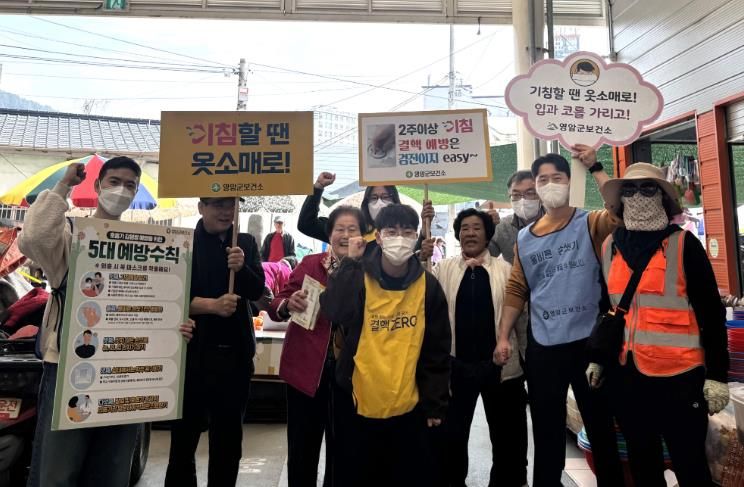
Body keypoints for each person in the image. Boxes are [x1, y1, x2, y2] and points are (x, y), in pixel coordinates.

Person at [19, 157, 195, 487]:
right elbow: (35, 238)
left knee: (111, 471)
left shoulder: (147, 243)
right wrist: (63, 186)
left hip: (125, 374)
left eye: (130, 185)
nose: (121, 190)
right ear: (98, 185)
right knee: (57, 472)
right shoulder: (71, 236)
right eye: (114, 181)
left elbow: (154, 304)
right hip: (69, 369)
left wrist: (174, 329)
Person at [587, 163, 729, 486]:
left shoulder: (684, 245)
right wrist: (599, 358)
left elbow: (711, 314)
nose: (638, 196)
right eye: (630, 189)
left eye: (648, 188)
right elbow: (606, 307)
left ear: (662, 197)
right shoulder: (610, 246)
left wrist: (718, 375)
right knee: (643, 466)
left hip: (680, 379)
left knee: (690, 466)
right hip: (628, 376)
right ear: (621, 199)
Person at [494, 146, 624, 487]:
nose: (550, 184)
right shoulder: (524, 238)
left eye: (557, 177)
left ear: (569, 182)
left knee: (600, 427)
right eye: (543, 180)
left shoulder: (590, 222)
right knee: (547, 431)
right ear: (536, 187)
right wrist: (503, 336)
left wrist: (596, 167)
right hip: (545, 346)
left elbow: (619, 212)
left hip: (590, 343)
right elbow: (517, 289)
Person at [320, 203, 451, 487]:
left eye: (407, 232)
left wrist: (435, 403)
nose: (399, 238)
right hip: (356, 404)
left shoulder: (428, 286)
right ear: (378, 237)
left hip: (409, 408)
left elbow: (437, 350)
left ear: (416, 237)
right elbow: (334, 310)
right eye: (391, 231)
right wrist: (351, 263)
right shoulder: (359, 277)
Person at [165, 196, 265, 487]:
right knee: (183, 440)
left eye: (231, 205)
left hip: (235, 358)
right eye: (218, 205)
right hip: (191, 354)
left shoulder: (245, 242)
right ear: (201, 207)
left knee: (228, 442)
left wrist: (242, 267)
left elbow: (257, 290)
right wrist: (212, 306)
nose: (226, 211)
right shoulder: (182, 243)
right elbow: (167, 298)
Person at [269, 205, 366, 487]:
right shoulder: (311, 264)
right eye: (340, 229)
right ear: (329, 234)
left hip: (352, 374)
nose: (345, 235)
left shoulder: (370, 269)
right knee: (302, 449)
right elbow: (277, 303)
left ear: (363, 235)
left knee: (344, 450)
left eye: (352, 229)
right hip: (306, 370)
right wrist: (288, 304)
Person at [432, 208, 527, 487]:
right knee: (451, 438)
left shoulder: (506, 270)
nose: (470, 233)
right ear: (457, 234)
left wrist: (525, 359)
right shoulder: (443, 269)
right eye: (464, 228)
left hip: (500, 368)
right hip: (455, 367)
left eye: (476, 227)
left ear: (487, 234)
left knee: (507, 438)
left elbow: (521, 317)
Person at [297, 172, 403, 254]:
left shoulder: (406, 231)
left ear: (395, 200)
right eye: (374, 198)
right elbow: (307, 224)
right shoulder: (353, 229)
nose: (380, 203)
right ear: (366, 203)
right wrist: (318, 187)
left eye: (385, 197)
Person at [488, 170, 543, 264]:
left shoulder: (556, 222)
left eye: (530, 193)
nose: (522, 199)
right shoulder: (502, 227)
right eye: (516, 195)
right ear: (509, 196)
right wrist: (486, 229)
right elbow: (486, 257)